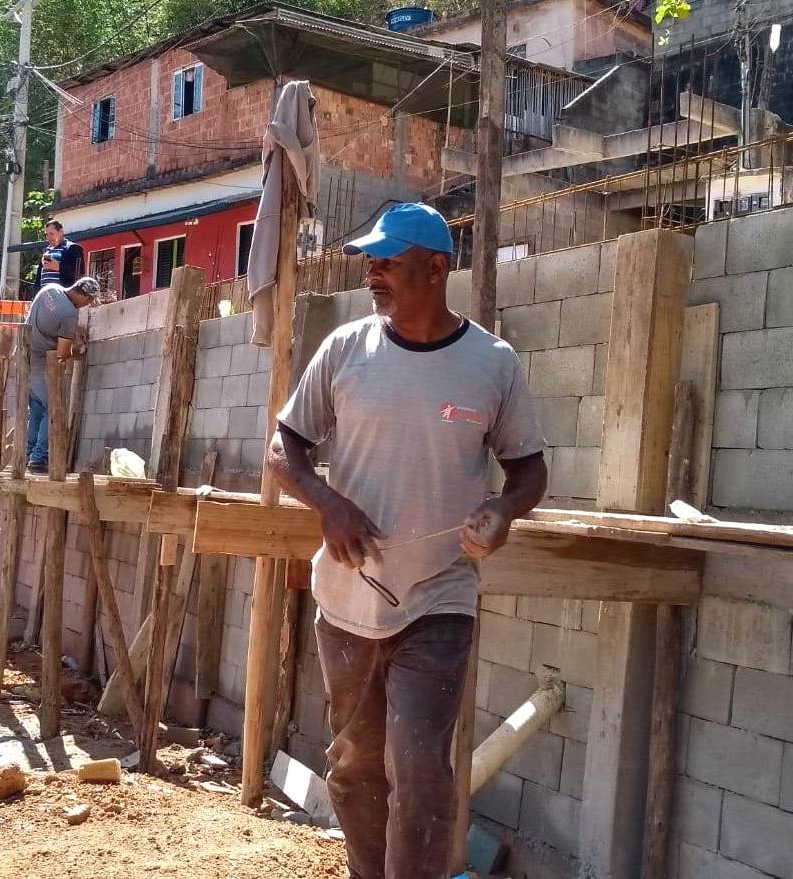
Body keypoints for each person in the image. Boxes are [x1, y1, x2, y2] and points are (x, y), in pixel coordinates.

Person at [267, 202, 549, 879]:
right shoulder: (345, 349)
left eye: (388, 262)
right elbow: (284, 447)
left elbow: (530, 470)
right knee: (355, 767)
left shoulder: (492, 363)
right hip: (347, 602)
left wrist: (505, 508)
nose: (373, 274)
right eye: (371, 262)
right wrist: (328, 503)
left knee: (420, 768)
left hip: (439, 598)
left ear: (436, 268)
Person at [25, 276, 99, 473]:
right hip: (41, 363)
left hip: (25, 355)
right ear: (86, 298)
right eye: (88, 302)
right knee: (54, 408)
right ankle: (38, 458)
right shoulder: (69, 315)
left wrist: (72, 331)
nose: (85, 306)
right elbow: (62, 354)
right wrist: (77, 351)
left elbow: (49, 320)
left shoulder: (50, 289)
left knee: (37, 409)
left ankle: (26, 455)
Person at [40, 220, 86, 290]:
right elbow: (39, 279)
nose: (48, 237)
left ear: (60, 232)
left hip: (63, 293)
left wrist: (59, 267)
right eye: (47, 234)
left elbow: (79, 274)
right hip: (44, 294)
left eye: (51, 234)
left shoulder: (72, 248)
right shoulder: (46, 252)